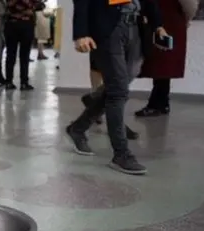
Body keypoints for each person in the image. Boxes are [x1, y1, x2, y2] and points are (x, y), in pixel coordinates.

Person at [66, 0, 168, 175]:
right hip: (108, 27)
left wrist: (158, 24)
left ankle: (78, 127)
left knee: (122, 82)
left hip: (135, 27)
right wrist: (80, 32)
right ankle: (121, 154)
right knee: (118, 91)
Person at [134, 0, 193, 117]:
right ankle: (161, 102)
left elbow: (190, 5)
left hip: (171, 22)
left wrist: (186, 19)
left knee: (165, 64)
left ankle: (158, 104)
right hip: (157, 21)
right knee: (159, 64)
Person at [4, 0, 37, 90]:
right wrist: (28, 10)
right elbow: (39, 5)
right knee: (24, 56)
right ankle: (24, 83)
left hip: (11, 24)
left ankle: (8, 82)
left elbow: (5, 5)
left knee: (10, 54)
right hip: (26, 24)